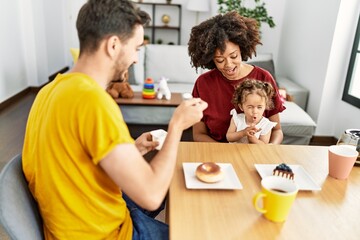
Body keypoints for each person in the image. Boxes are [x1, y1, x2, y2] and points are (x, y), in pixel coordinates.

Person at [22, 0, 207, 239]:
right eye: (137, 48)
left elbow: (76, 161)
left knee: (172, 187)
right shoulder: (93, 102)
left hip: (76, 220)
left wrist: (135, 149)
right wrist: (177, 126)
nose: (136, 59)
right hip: (105, 233)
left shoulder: (49, 90)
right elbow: (151, 195)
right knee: (197, 226)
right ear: (113, 45)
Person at [188, 11, 285, 144]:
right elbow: (199, 134)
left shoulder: (263, 77)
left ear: (242, 50)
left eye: (234, 56)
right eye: (220, 60)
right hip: (216, 152)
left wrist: (267, 152)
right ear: (211, 59)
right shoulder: (203, 83)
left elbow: (277, 131)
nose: (228, 65)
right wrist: (224, 153)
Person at [226, 78, 277, 143]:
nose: (255, 111)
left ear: (265, 106)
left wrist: (252, 138)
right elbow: (229, 137)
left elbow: (263, 146)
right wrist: (243, 133)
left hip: (254, 153)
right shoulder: (237, 119)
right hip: (235, 151)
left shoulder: (265, 124)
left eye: (259, 107)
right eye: (250, 107)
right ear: (241, 107)